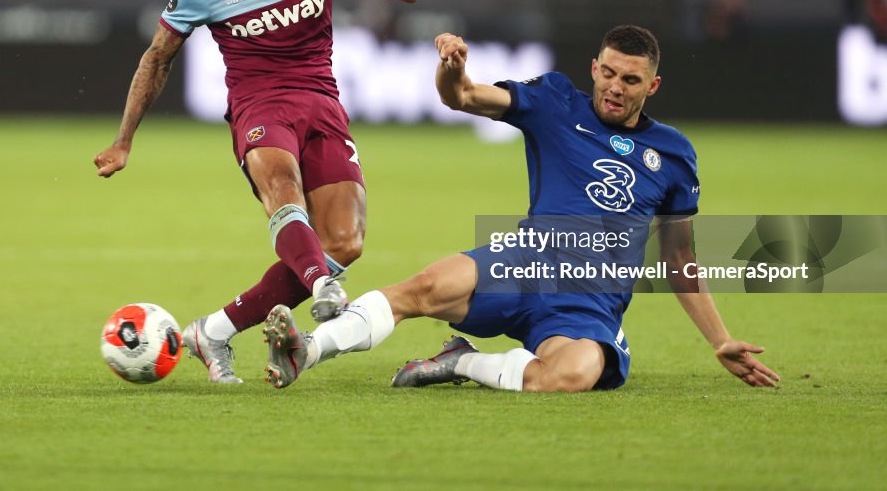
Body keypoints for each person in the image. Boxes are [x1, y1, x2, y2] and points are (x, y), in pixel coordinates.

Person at [262, 26, 780, 392]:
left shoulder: (672, 154)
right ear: (594, 68)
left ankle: (461, 364)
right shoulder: (556, 101)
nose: (615, 89)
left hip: (588, 306)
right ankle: (306, 349)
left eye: (630, 81)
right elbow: (461, 97)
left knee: (570, 376)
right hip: (526, 262)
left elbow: (679, 259)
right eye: (609, 74)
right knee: (420, 289)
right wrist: (452, 69)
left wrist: (721, 341)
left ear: (653, 86)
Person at [93, 0, 429, 384]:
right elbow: (157, 57)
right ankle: (323, 288)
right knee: (282, 185)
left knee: (345, 242)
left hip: (321, 103)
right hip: (259, 106)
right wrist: (123, 141)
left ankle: (215, 331)